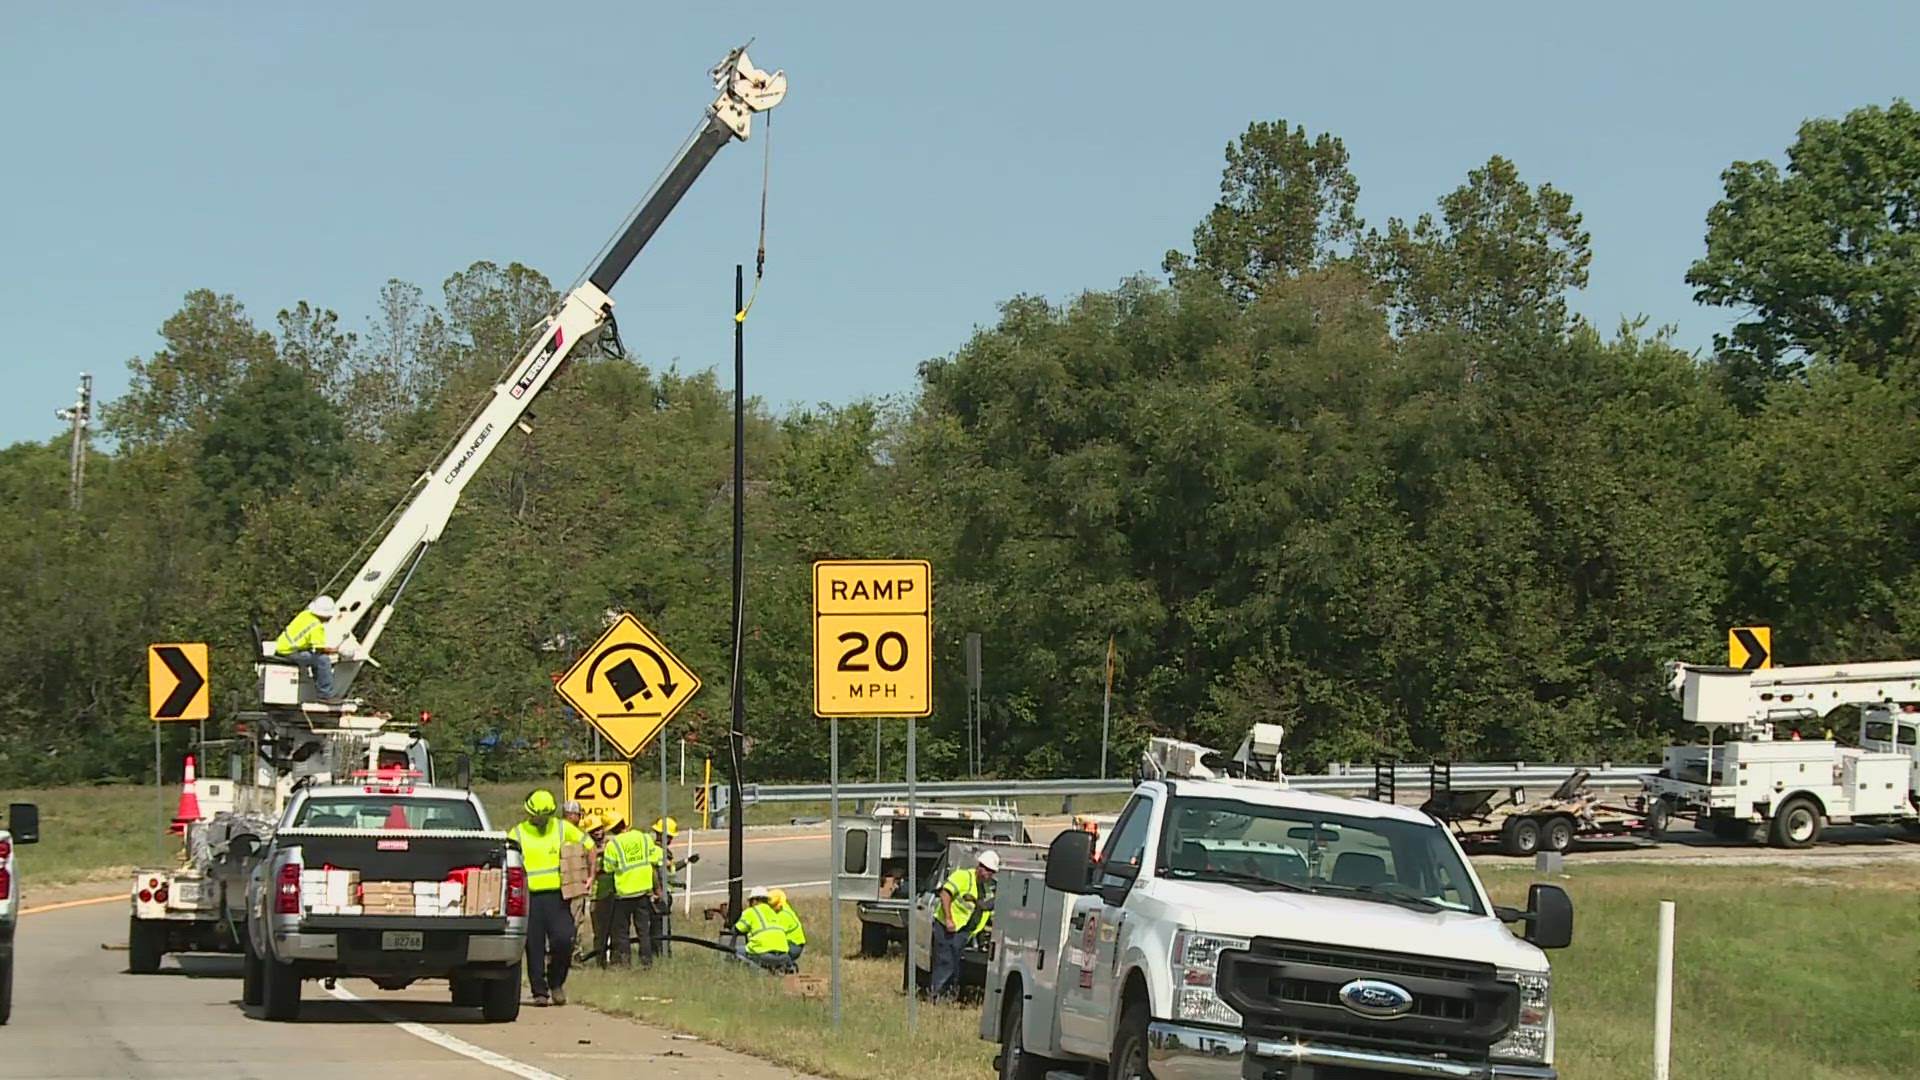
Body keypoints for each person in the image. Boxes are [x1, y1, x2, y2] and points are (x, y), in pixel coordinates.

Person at [508, 789, 588, 1006]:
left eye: (546, 816)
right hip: (530, 898)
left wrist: (588, 874)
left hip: (557, 896)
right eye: (539, 816)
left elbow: (588, 845)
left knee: (564, 938)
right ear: (530, 813)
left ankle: (556, 982)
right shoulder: (517, 833)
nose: (543, 821)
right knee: (533, 945)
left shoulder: (562, 828)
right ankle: (539, 991)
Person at [930, 849, 998, 1001]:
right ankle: (936, 996)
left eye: (992, 872)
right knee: (945, 962)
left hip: (963, 932)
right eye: (988, 870)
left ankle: (948, 996)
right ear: (980, 867)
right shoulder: (963, 877)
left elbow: (986, 910)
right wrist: (948, 919)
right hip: (946, 927)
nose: (989, 875)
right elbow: (945, 894)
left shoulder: (987, 890)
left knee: (955, 965)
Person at [599, 812, 662, 966]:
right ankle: (647, 962)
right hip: (643, 892)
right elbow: (656, 859)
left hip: (624, 894)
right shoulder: (643, 837)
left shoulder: (613, 845)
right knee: (643, 931)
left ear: (612, 829)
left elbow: (608, 868)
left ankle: (625, 962)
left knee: (622, 932)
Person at [274, 595, 344, 704]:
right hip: (290, 652)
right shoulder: (317, 626)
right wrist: (336, 650)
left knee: (316, 657)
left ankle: (321, 691)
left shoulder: (305, 614)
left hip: (283, 648)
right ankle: (325, 695)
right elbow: (320, 649)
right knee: (323, 660)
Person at [731, 885, 791, 970]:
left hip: (764, 955)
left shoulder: (751, 912)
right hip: (783, 956)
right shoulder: (774, 913)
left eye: (751, 901)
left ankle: (755, 973)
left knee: (734, 951)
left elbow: (737, 929)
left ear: (756, 900)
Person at [767, 888, 806, 964]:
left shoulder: (783, 915)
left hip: (793, 946)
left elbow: (776, 935)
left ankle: (787, 965)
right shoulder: (785, 907)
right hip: (794, 944)